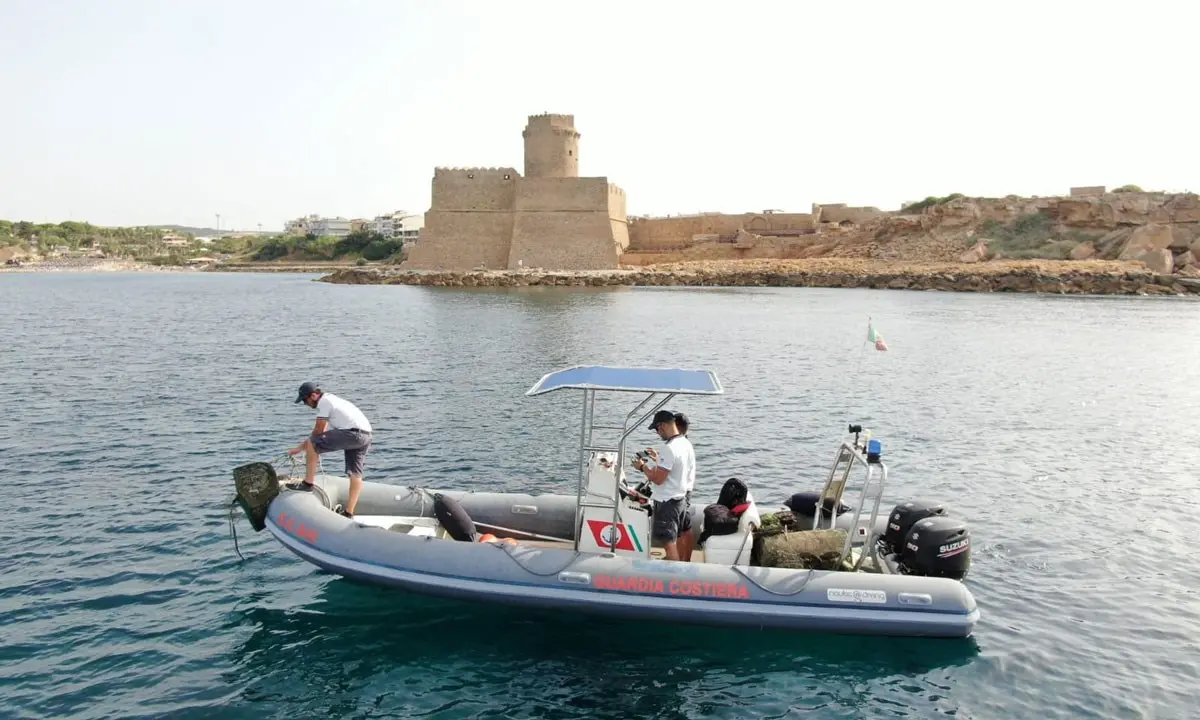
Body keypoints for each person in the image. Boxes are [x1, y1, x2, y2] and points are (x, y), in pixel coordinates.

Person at [288, 382, 373, 518]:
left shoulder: (324, 402)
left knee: (313, 443)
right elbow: (323, 433)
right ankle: (349, 512)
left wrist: (299, 449)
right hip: (365, 435)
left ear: (314, 395)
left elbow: (317, 432)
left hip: (352, 434)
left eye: (305, 400)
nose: (305, 404)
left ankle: (308, 483)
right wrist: (300, 448)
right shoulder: (334, 402)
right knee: (355, 473)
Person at [631, 409, 696, 562]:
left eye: (657, 429)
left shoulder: (669, 448)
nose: (657, 433)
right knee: (679, 535)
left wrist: (641, 467)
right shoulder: (684, 443)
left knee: (669, 543)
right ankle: (684, 563)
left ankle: (675, 574)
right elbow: (675, 468)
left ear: (663, 426)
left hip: (667, 502)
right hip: (679, 498)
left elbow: (658, 479)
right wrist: (658, 459)